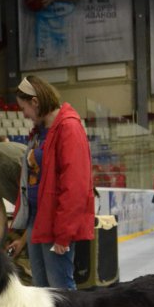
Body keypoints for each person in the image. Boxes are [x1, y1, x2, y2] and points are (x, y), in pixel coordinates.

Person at [13, 75, 94, 289]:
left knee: (61, 289)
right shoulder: (39, 133)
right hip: (37, 220)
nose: (24, 115)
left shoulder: (69, 128)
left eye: (24, 109)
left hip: (54, 223)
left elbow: (75, 187)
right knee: (41, 290)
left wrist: (64, 233)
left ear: (35, 102)